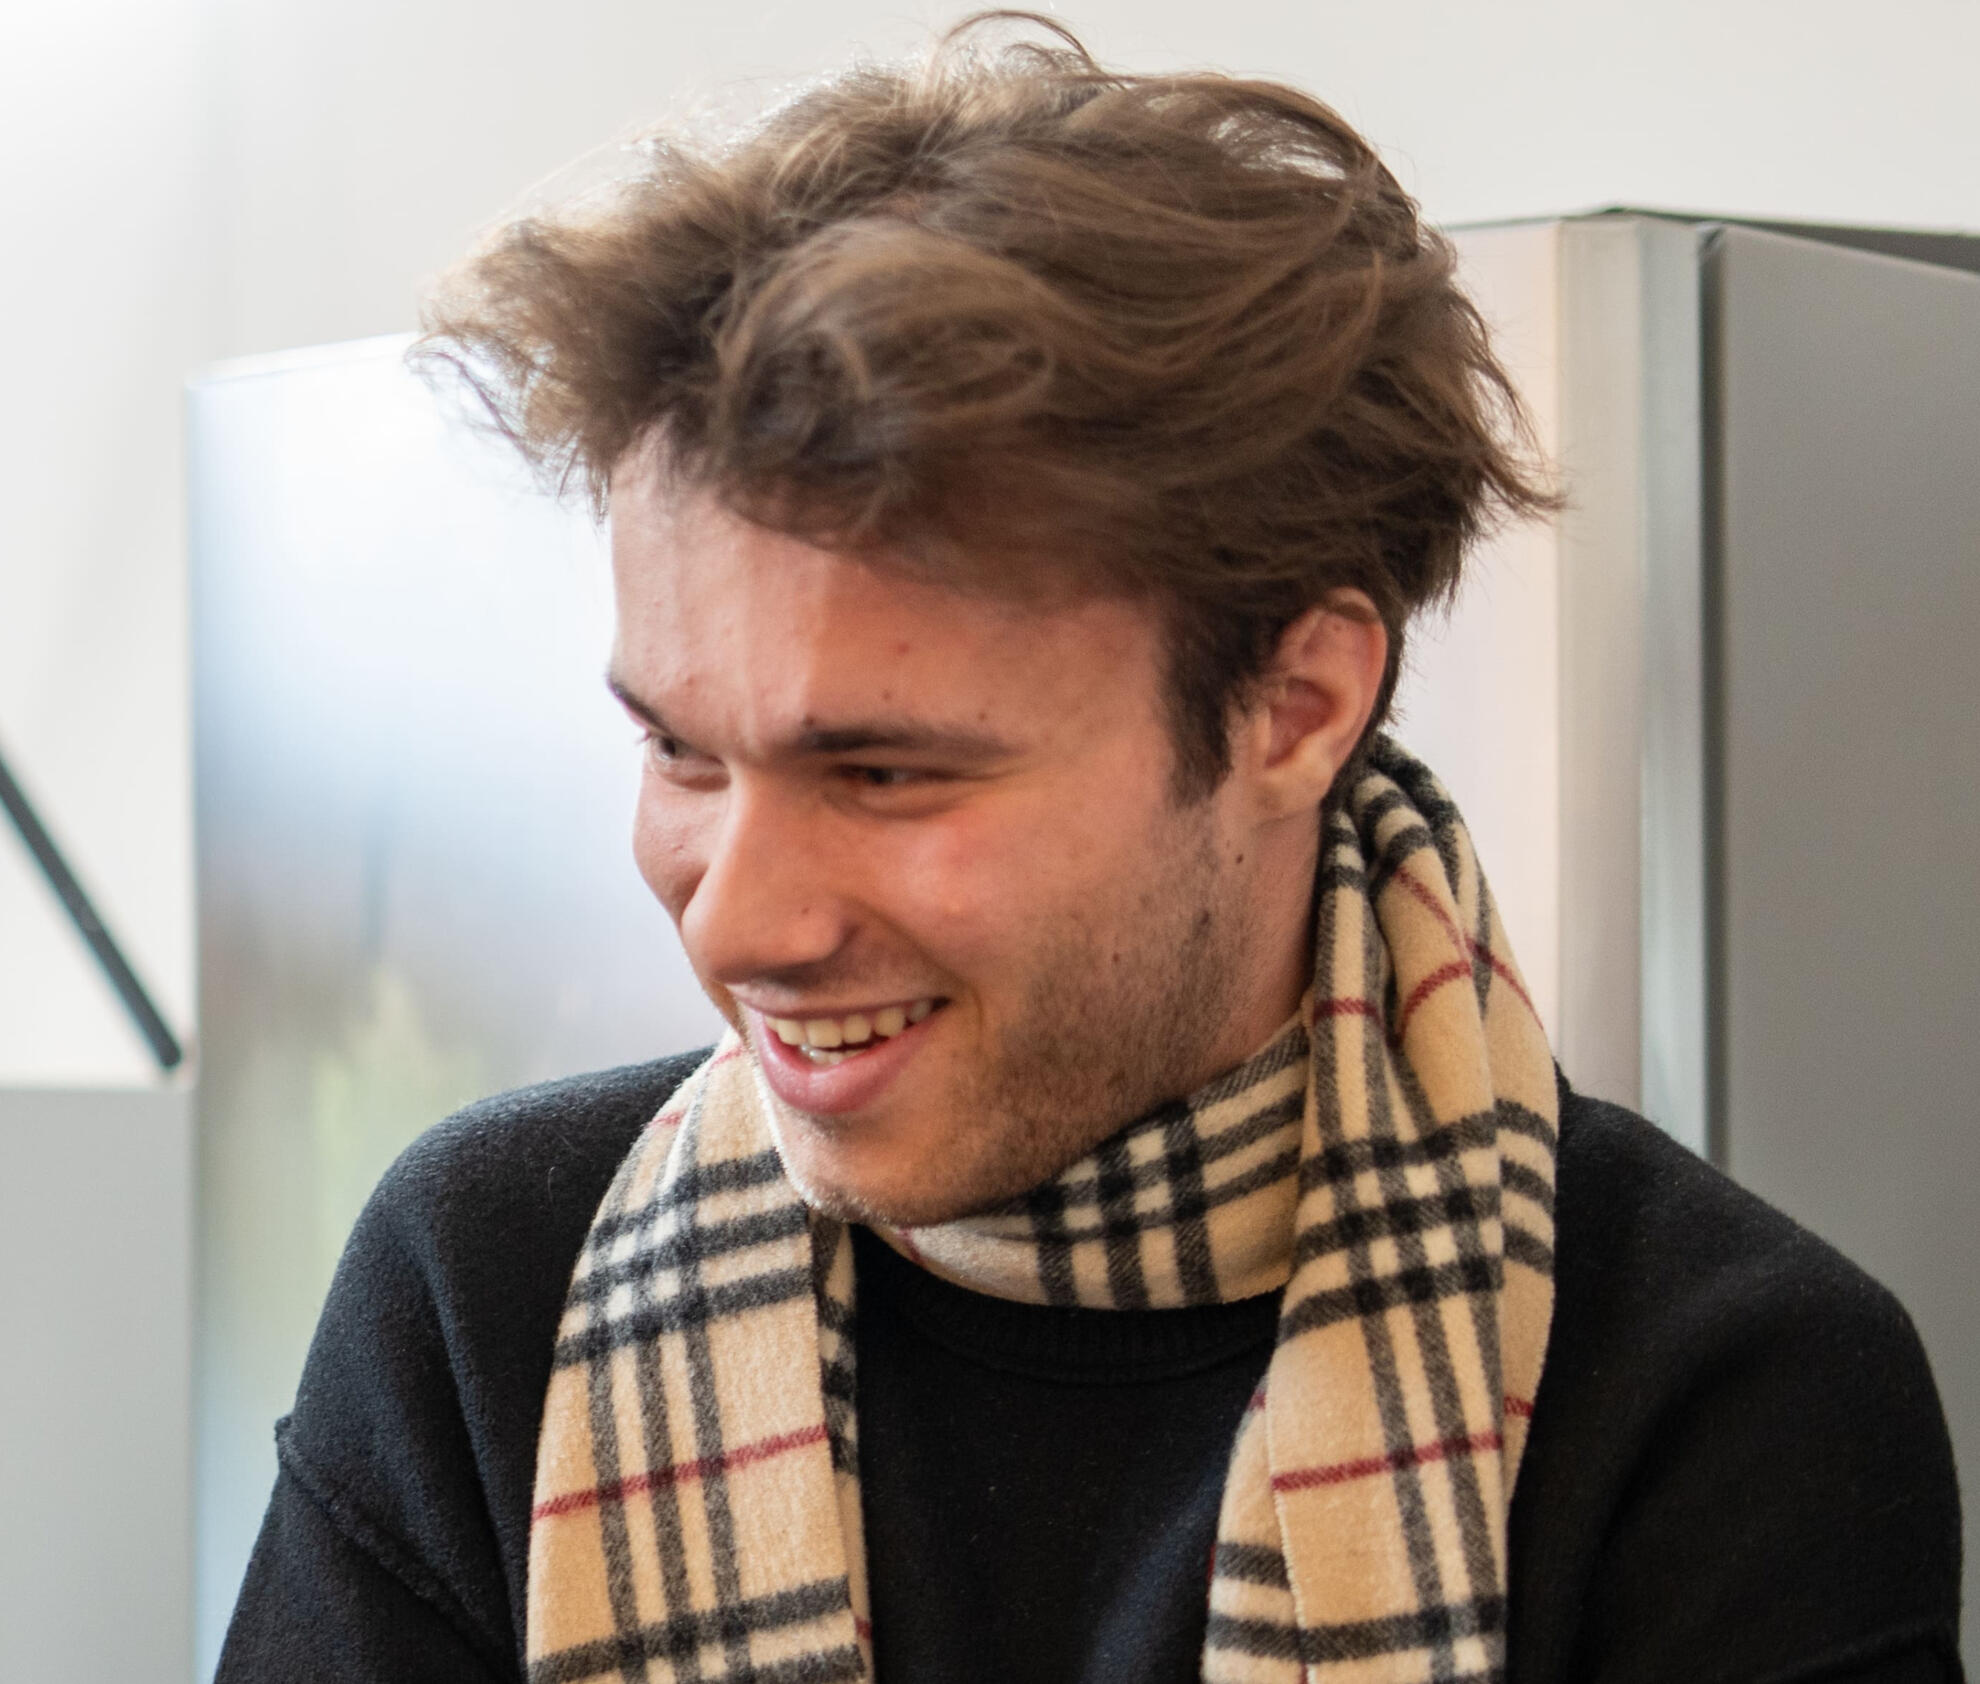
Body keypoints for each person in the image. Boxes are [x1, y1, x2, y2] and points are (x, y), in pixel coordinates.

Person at [217, 16, 1962, 1684]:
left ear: (1295, 706)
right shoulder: (487, 1291)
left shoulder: (1716, 1404)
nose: (737, 924)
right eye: (679, 750)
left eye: (885, 772)